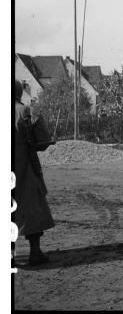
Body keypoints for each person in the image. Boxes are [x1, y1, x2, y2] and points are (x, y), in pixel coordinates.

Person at [13, 79, 55, 266]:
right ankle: (35, 253)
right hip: (24, 169)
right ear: (19, 92)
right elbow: (43, 141)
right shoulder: (26, 112)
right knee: (32, 209)